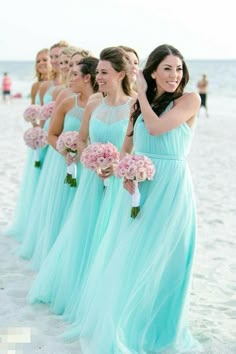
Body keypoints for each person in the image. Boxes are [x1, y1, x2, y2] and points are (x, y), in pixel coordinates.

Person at [63, 44, 202, 353]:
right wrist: (115, 169)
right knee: (133, 256)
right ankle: (128, 322)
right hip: (140, 187)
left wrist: (140, 93)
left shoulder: (190, 100)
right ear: (153, 72)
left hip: (171, 187)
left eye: (178, 69)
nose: (174, 75)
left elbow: (155, 128)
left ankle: (159, 329)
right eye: (167, 68)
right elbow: (130, 148)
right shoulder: (141, 105)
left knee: (165, 259)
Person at [28, 47, 134, 318]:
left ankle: (104, 299)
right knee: (85, 234)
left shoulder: (134, 104)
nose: (98, 77)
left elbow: (136, 144)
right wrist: (92, 158)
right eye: (97, 72)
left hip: (118, 182)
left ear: (121, 74)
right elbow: (83, 138)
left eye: (104, 72)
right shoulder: (93, 103)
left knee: (110, 238)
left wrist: (116, 164)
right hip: (91, 181)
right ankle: (80, 293)